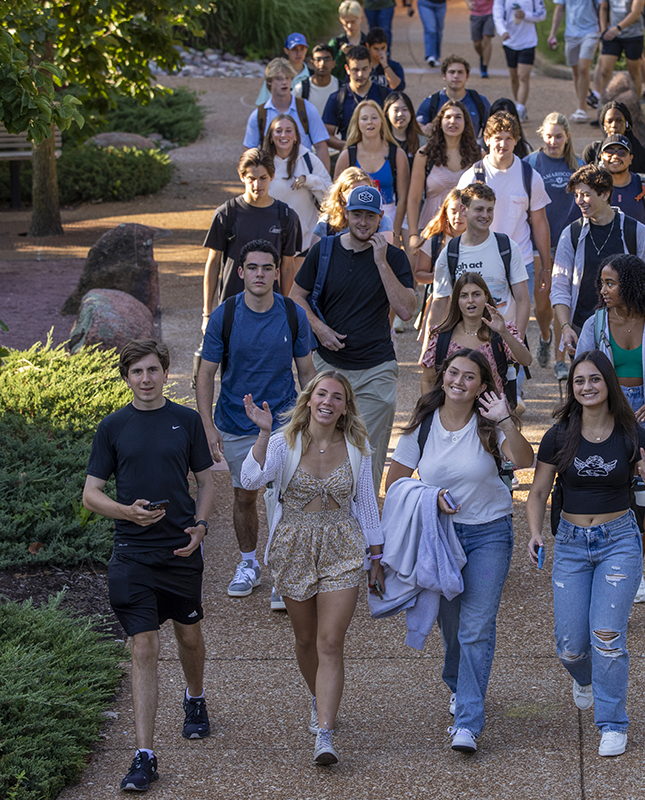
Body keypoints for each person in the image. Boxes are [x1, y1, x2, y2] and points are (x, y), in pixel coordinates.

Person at [384, 350, 534, 753]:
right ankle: (459, 683)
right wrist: (429, 499)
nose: (458, 381)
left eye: (470, 377)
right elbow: (394, 485)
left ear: (483, 386)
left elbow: (524, 460)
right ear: (442, 377)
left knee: (475, 627)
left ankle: (467, 720)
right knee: (450, 629)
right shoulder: (423, 425)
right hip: (440, 536)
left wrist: (505, 418)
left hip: (489, 534)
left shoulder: (490, 424)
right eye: (453, 373)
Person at [82, 340, 214, 791]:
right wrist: (127, 512)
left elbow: (207, 479)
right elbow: (91, 493)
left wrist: (201, 526)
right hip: (132, 554)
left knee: (189, 635)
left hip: (179, 551)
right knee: (143, 647)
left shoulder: (187, 421)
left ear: (165, 373)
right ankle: (144, 754)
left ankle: (194, 697)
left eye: (153, 370)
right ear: (126, 377)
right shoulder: (113, 427)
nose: (145, 378)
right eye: (136, 371)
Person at [525, 350, 645, 759]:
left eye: (594, 380)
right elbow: (537, 492)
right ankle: (584, 677)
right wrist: (535, 533)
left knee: (607, 638)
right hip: (571, 544)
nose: (586, 387)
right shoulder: (559, 435)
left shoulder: (633, 435)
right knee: (570, 647)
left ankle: (612, 723)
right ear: (572, 388)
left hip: (619, 541)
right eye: (578, 381)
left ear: (608, 384)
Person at [240, 370, 381, 766]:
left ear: (345, 407)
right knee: (305, 640)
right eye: (322, 394)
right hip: (293, 545)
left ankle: (324, 734)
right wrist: (265, 434)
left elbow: (367, 503)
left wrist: (376, 557)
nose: (328, 402)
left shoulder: (357, 445)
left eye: (337, 397)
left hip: (343, 545)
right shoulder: (286, 443)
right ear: (309, 398)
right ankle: (320, 697)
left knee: (330, 641)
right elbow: (250, 479)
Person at [195, 240, 316, 610]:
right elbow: (205, 375)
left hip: (282, 421)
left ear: (277, 273)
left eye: (267, 268)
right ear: (242, 272)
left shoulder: (292, 314)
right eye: (253, 268)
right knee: (244, 495)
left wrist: (311, 421)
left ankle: (281, 570)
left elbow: (307, 372)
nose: (260, 274)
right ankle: (249, 564)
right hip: (234, 422)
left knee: (282, 497)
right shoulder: (225, 315)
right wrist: (207, 426)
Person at [574, 253, 645, 603]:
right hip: (605, 412)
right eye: (602, 283)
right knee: (610, 485)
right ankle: (606, 566)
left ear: (631, 285)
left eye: (611, 283)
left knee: (643, 494)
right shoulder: (595, 325)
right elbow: (581, 371)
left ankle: (634, 572)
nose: (603, 290)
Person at [290, 185, 418, 493]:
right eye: (356, 214)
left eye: (370, 216)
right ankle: (323, 523)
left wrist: (381, 262)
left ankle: (365, 532)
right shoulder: (324, 250)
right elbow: (296, 297)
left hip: (376, 369)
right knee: (320, 448)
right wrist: (319, 328)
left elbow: (405, 311)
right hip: (329, 368)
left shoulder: (394, 258)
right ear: (346, 214)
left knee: (365, 456)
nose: (363, 222)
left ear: (380, 218)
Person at [457, 112, 552, 378]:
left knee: (516, 319)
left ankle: (513, 379)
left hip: (519, 258)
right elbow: (456, 219)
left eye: (509, 138)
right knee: (484, 319)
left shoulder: (528, 175)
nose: (503, 144)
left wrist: (545, 266)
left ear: (516, 140)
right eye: (497, 138)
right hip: (483, 260)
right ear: (487, 140)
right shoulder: (473, 176)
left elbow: (540, 222)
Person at [551, 163, 645, 378]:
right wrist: (566, 327)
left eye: (586, 194)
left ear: (605, 194)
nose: (580, 201)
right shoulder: (571, 234)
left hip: (628, 327)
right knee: (588, 390)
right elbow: (559, 287)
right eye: (577, 195)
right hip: (583, 326)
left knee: (625, 392)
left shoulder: (635, 231)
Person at [202, 149, 302, 321]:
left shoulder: (287, 216)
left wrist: (288, 309)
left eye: (263, 178)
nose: (257, 185)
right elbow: (213, 263)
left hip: (272, 310)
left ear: (272, 176)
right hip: (231, 309)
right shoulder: (226, 214)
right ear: (242, 177)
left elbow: (287, 267)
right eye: (251, 179)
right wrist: (207, 313)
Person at [427, 182, 530, 341]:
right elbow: (439, 303)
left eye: (490, 210)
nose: (485, 215)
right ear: (463, 209)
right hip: (464, 341)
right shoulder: (450, 252)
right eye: (479, 209)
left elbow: (523, 299)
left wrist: (518, 341)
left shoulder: (507, 247)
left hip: (501, 339)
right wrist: (429, 347)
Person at [527, 112, 583, 366]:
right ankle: (546, 336)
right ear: (542, 136)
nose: (553, 141)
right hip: (539, 244)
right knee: (542, 307)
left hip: (569, 243)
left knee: (564, 301)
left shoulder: (578, 165)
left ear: (567, 136)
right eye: (548, 136)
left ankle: (561, 359)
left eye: (558, 136)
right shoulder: (531, 163)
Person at [421, 272, 531, 399]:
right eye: (463, 295)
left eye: (476, 294)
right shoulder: (440, 336)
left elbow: (526, 360)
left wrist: (504, 332)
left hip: (491, 414)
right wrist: (430, 413)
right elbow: (427, 381)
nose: (470, 300)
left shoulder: (502, 331)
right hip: (451, 413)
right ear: (456, 300)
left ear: (486, 297)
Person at [408, 101, 483, 252]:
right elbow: (414, 198)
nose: (453, 121)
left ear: (466, 122)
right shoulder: (425, 155)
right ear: (440, 122)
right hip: (430, 231)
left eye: (458, 117)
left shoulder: (478, 155)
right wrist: (413, 234)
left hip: (467, 232)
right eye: (448, 117)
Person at [598, 134, 645, 285]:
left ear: (631, 158)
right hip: (599, 267)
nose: (615, 156)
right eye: (610, 151)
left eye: (622, 152)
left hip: (639, 266)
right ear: (601, 156)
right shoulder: (592, 189)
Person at [333, 99, 410, 234]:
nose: (370, 122)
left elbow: (403, 198)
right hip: (355, 223)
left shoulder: (397, 154)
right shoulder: (347, 155)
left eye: (374, 117)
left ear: (381, 121)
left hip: (388, 220)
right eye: (364, 118)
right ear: (357, 123)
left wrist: (395, 233)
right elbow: (336, 196)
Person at [246, 58, 331, 173]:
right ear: (269, 81)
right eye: (279, 79)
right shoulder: (259, 115)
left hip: (304, 178)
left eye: (288, 78)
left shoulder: (307, 109)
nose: (285, 82)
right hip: (271, 179)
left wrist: (323, 181)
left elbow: (321, 146)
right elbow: (249, 151)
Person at [263, 114, 333, 252]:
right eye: (278, 131)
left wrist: (309, 180)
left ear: (296, 136)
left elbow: (330, 194)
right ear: (271, 137)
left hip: (305, 242)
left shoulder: (309, 160)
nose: (283, 135)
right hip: (269, 243)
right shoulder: (262, 163)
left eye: (289, 130)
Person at [413, 189, 466, 331]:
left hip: (469, 304)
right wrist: (435, 276)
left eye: (464, 211)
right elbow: (419, 274)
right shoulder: (435, 240)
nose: (458, 216)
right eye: (453, 211)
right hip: (440, 304)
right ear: (445, 212)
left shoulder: (480, 240)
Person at [322, 45, 388, 153]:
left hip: (382, 156)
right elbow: (326, 135)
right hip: (350, 160)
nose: (360, 74)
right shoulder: (337, 98)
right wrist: (349, 147)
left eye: (364, 69)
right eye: (355, 70)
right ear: (347, 69)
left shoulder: (385, 94)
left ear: (371, 67)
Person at [493, 0, 546, 122]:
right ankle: (518, 104)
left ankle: (520, 108)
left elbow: (542, 14)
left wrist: (526, 15)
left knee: (523, 76)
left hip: (528, 42)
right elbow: (497, 14)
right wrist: (502, 31)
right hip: (510, 41)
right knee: (514, 76)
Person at [548, 0, 602, 121]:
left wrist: (603, 30)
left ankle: (582, 109)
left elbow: (603, 7)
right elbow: (559, 9)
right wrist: (553, 33)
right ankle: (581, 104)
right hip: (571, 34)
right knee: (576, 70)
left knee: (583, 69)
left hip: (591, 31)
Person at [312, 166, 397, 242]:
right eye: (354, 193)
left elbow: (387, 254)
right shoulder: (327, 222)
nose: (361, 197)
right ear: (341, 195)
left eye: (364, 191)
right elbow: (314, 256)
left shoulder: (383, 221)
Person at [416, 55, 491, 139]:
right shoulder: (431, 102)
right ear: (444, 76)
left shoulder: (480, 102)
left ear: (467, 76)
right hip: (439, 151)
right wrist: (424, 129)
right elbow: (416, 126)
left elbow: (492, 129)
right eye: (452, 72)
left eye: (460, 72)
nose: (456, 76)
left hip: (471, 150)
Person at [580, 101, 645, 175]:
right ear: (604, 125)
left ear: (626, 123)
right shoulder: (592, 151)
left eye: (619, 121)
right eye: (609, 121)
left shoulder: (639, 152)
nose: (614, 125)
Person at [597, 0, 645, 100]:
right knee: (605, 71)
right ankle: (604, 104)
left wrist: (618, 28)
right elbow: (604, 8)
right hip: (612, 35)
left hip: (634, 35)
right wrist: (603, 31)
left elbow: (636, 12)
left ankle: (635, 105)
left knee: (634, 73)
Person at [253, 32, 312, 107]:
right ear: (286, 50)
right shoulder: (275, 74)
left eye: (302, 49)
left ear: (306, 50)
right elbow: (262, 104)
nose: (298, 53)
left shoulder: (312, 76)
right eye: (294, 49)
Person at [299, 45, 341, 122]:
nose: (322, 64)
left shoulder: (341, 88)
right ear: (312, 63)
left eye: (326, 60)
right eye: (318, 60)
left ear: (333, 63)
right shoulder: (301, 88)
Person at [384, 91, 421, 173]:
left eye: (405, 109)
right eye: (396, 110)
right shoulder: (380, 140)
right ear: (387, 113)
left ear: (411, 113)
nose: (400, 114)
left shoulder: (421, 140)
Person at [330, 0, 367, 80]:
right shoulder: (336, 43)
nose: (349, 26)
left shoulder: (368, 42)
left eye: (353, 22)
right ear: (341, 19)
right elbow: (330, 70)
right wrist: (341, 54)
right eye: (346, 22)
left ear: (361, 18)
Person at [364, 27, 406, 93]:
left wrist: (385, 65)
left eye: (383, 48)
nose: (380, 52)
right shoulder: (362, 66)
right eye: (376, 49)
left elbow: (398, 88)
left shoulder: (394, 66)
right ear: (368, 46)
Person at [466, 0, 496, 78]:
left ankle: (484, 68)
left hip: (490, 13)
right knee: (477, 43)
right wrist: (468, 3)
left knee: (487, 38)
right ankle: (483, 57)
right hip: (476, 13)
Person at [418, 0, 448, 68]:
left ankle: (436, 56)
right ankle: (430, 55)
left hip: (441, 4)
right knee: (430, 30)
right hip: (425, 3)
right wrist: (409, 4)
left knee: (438, 31)